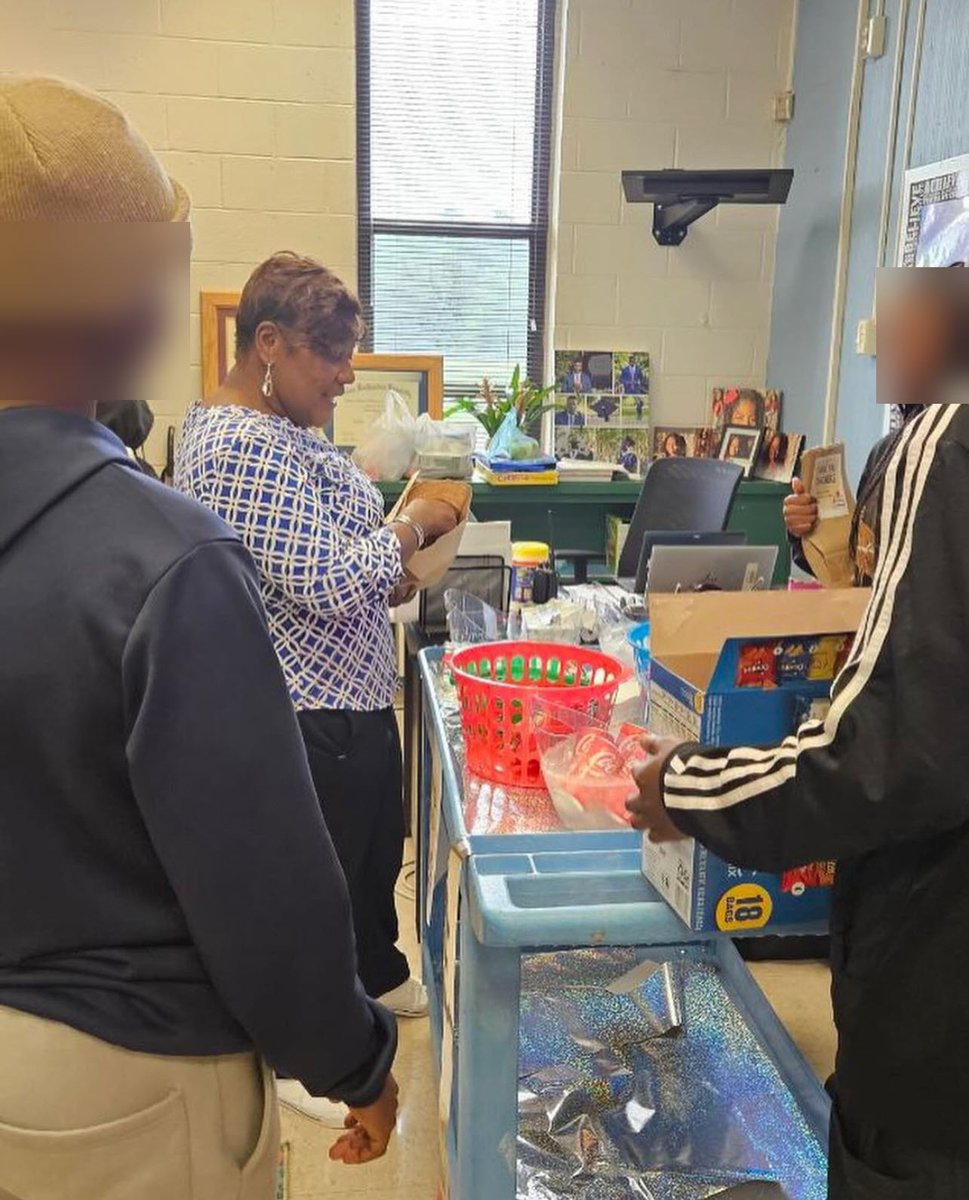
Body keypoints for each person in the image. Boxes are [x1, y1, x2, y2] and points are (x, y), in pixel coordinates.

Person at [0, 75, 397, 1200]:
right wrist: (356, 1062)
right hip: (121, 1079)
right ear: (134, 310)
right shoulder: (161, 558)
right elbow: (261, 883)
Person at [629, 269, 969, 1197]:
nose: (877, 347)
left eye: (898, 328)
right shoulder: (899, 450)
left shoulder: (943, 441)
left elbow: (894, 747)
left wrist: (686, 788)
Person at [176, 253, 459, 1121]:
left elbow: (340, 556)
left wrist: (393, 564)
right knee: (317, 886)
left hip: (352, 693)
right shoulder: (235, 441)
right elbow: (328, 580)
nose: (345, 376)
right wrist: (411, 526)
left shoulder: (287, 427)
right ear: (268, 343)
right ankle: (311, 1057)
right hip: (305, 707)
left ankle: (373, 978)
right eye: (329, 357)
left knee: (368, 862)